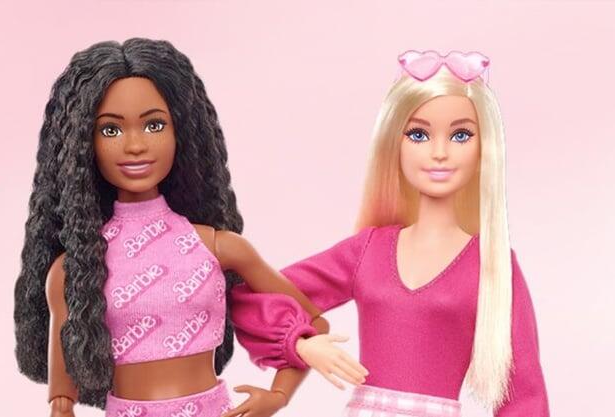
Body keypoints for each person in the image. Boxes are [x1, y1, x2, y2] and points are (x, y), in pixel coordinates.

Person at [13, 38, 332, 417]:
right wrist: (60, 406)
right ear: (83, 142)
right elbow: (62, 391)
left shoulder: (219, 247)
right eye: (111, 130)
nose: (135, 145)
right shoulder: (73, 270)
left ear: (182, 131)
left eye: (154, 125)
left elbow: (312, 322)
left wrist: (278, 396)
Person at [232, 51, 550, 417]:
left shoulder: (491, 266)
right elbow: (255, 295)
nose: (440, 152)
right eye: (418, 134)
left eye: (460, 135)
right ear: (393, 143)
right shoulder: (368, 250)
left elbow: (523, 393)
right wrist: (300, 344)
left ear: (484, 149)